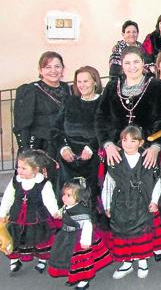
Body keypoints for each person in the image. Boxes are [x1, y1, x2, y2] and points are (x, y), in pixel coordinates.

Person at [101, 126, 161, 279]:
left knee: (141, 231)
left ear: (141, 142)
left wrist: (154, 201)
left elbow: (157, 182)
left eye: (133, 141)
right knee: (122, 231)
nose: (128, 144)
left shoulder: (148, 158)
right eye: (124, 140)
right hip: (121, 202)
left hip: (142, 201)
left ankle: (142, 261)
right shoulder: (115, 159)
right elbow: (108, 184)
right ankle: (126, 263)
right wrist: (107, 205)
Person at [96, 46, 161, 171]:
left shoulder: (156, 86)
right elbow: (101, 118)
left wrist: (156, 146)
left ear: (143, 63)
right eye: (127, 63)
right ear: (122, 65)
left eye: (136, 62)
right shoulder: (112, 86)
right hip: (116, 152)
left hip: (147, 152)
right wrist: (107, 144)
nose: (132, 67)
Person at [14, 51, 71, 195]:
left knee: (64, 190)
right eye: (48, 67)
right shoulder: (31, 90)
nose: (53, 71)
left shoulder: (68, 89)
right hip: (39, 148)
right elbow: (22, 125)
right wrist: (27, 153)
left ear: (63, 69)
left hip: (63, 146)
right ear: (40, 70)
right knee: (40, 192)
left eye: (57, 66)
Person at [0, 150, 59, 274]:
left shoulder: (43, 183)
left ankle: (41, 260)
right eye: (18, 167)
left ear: (35, 169)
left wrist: (54, 211)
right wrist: (2, 213)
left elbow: (49, 199)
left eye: (23, 168)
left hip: (36, 218)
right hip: (17, 217)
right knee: (15, 239)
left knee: (40, 240)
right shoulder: (16, 181)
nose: (19, 170)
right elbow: (8, 197)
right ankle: (14, 260)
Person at [52, 66, 103, 210]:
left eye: (86, 81)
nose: (82, 85)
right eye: (79, 81)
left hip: (93, 158)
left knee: (90, 198)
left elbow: (107, 129)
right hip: (68, 158)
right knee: (66, 197)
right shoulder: (70, 102)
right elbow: (56, 129)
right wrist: (63, 147)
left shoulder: (103, 103)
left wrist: (91, 147)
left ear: (95, 82)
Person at [48, 178, 112, 290]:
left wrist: (85, 241)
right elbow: (64, 212)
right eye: (64, 194)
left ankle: (84, 280)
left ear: (79, 196)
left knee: (81, 261)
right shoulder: (67, 206)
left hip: (78, 238)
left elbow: (87, 226)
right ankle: (74, 277)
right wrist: (58, 213)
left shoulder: (82, 212)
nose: (64, 197)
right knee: (69, 258)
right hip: (66, 236)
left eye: (69, 195)